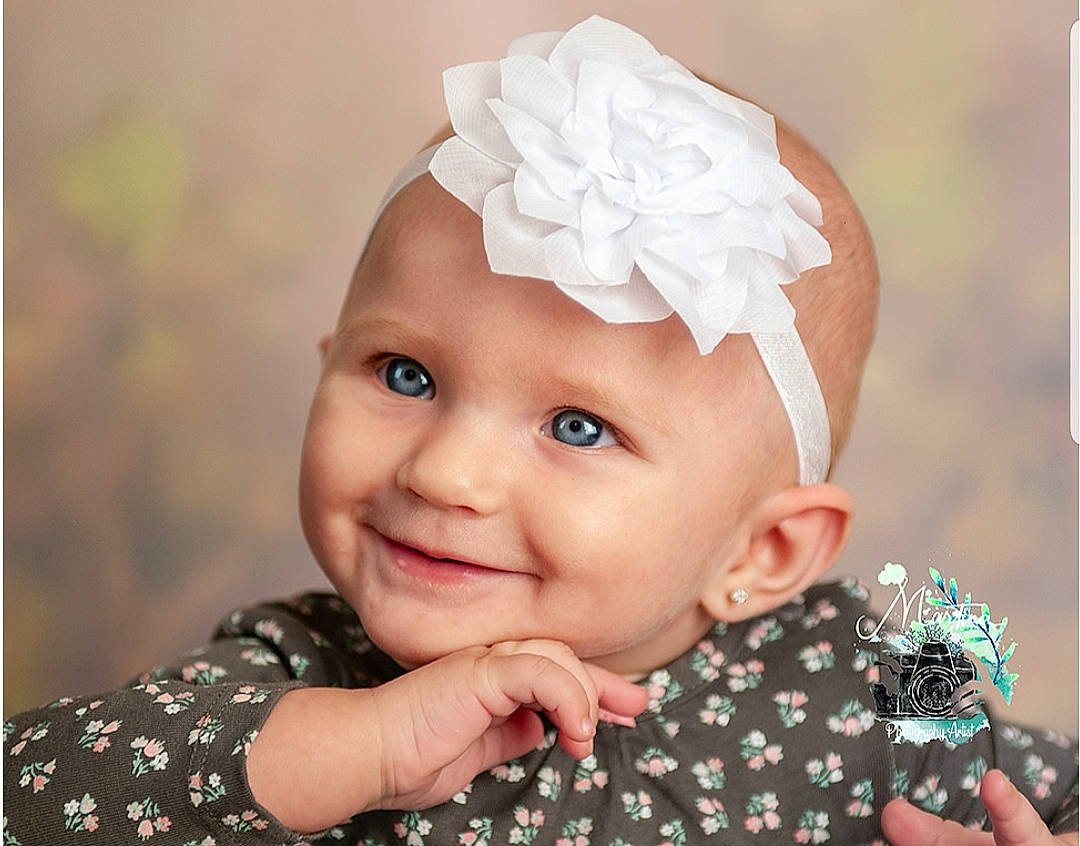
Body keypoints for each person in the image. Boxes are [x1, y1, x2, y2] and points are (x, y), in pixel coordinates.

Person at [4, 16, 1076, 846]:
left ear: (765, 551)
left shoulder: (875, 675)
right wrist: (364, 753)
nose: (447, 471)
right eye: (406, 372)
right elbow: (29, 791)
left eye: (577, 425)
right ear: (327, 356)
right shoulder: (299, 678)